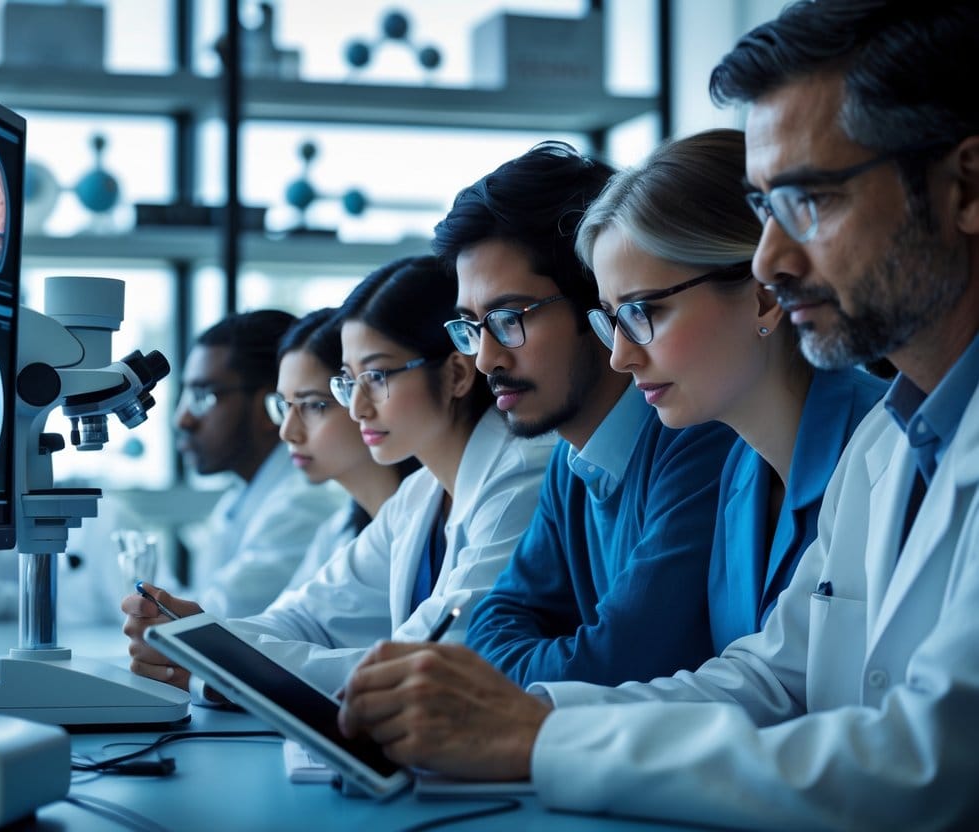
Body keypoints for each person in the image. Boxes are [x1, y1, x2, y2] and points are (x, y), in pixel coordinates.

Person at [337, 2, 979, 828]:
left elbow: (933, 767)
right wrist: (529, 725)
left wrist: (536, 742)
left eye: (809, 203)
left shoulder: (798, 444)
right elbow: (768, 680)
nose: (771, 264)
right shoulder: (888, 449)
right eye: (762, 213)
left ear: (964, 187)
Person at [124, 256, 556, 694]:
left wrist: (219, 659)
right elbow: (308, 618)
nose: (357, 407)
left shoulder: (520, 479)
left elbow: (431, 665)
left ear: (457, 373)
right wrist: (199, 635)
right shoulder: (419, 495)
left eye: (377, 376)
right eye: (348, 381)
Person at [578, 127, 888, 651]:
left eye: (643, 312)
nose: (620, 356)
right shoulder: (738, 477)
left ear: (764, 298)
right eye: (612, 319)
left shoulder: (889, 447)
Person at [443, 142, 738, 688]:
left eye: (509, 319)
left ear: (596, 301)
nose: (486, 358)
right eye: (471, 326)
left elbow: (617, 662)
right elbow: (488, 626)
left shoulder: (701, 434)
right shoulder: (571, 459)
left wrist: (523, 673)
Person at [175, 309, 344, 618]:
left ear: (267, 407)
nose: (183, 419)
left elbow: (214, 618)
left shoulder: (307, 501)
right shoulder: (238, 497)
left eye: (204, 396)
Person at [266, 308, 416, 594]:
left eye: (313, 405)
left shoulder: (428, 522)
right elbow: (290, 620)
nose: (287, 431)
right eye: (284, 406)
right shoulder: (338, 531)